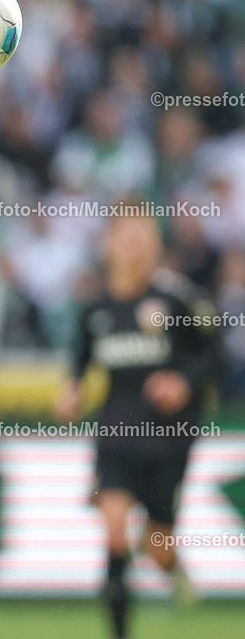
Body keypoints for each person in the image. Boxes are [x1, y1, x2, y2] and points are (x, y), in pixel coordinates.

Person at [57, 212, 217, 639]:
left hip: (168, 440)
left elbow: (213, 352)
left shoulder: (178, 300)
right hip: (114, 435)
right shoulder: (96, 307)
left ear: (155, 244)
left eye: (142, 237)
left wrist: (183, 380)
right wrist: (72, 388)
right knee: (113, 531)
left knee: (157, 546)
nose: (134, 246)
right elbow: (82, 357)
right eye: (126, 237)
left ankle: (171, 563)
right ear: (109, 244)